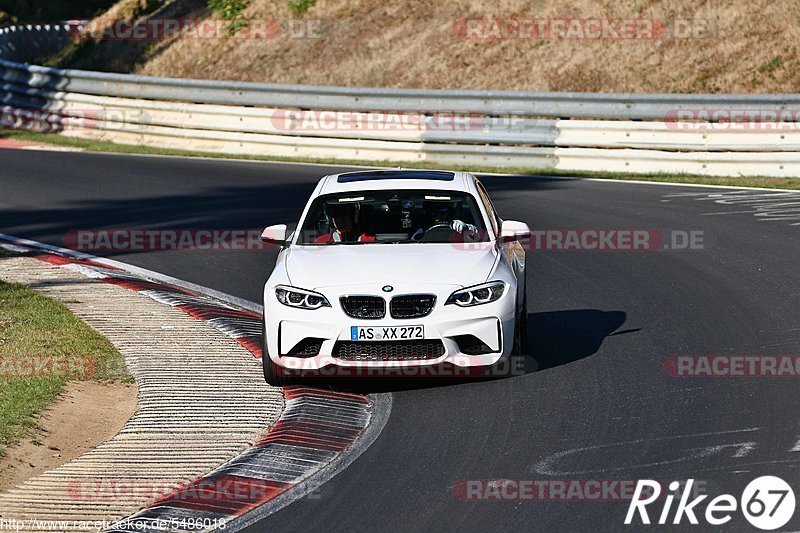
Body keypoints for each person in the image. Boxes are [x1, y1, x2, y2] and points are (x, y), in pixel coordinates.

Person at [411, 202, 477, 241]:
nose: (439, 216)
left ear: (450, 213)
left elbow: (478, 237)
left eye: (443, 212)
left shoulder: (458, 227)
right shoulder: (421, 232)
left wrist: (466, 227)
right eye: (434, 213)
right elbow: (412, 246)